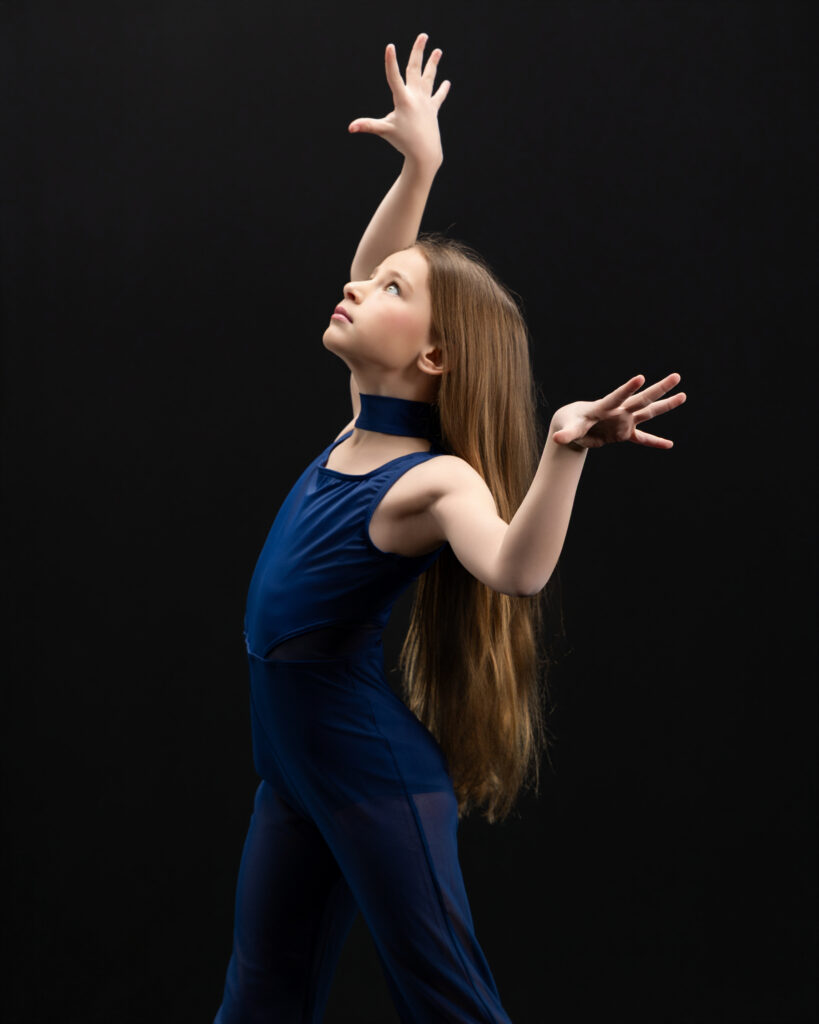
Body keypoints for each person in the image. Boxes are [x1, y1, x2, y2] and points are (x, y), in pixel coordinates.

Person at [213, 31, 686, 1024]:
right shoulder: (357, 419)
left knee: (450, 1005)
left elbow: (514, 569)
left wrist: (560, 449)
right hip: (293, 771)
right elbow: (376, 260)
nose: (359, 283)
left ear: (432, 357)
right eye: (371, 277)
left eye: (391, 290)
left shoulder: (434, 482)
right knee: (260, 998)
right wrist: (421, 164)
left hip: (369, 776)